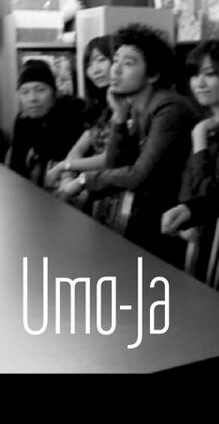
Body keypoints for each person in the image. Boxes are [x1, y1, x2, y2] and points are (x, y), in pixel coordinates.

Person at [58, 24, 196, 267]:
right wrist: (120, 116)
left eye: (128, 63)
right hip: (149, 224)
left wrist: (83, 180)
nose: (116, 69)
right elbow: (114, 165)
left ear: (153, 74)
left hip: (173, 232)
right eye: (116, 60)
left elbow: (138, 176)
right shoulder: (137, 106)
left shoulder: (170, 109)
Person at [160, 35, 219, 279]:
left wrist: (199, 137)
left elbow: (214, 189)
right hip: (202, 238)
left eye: (210, 74)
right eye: (194, 75)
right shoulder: (208, 120)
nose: (199, 83)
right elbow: (188, 178)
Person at [46, 36, 113, 198]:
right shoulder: (100, 107)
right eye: (89, 65)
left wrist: (65, 167)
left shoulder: (129, 106)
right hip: (92, 186)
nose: (95, 70)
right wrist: (66, 178)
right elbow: (79, 148)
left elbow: (111, 158)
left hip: (113, 188)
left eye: (101, 60)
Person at [8, 59, 85, 187]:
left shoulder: (74, 111)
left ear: (54, 92)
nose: (32, 98)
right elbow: (16, 167)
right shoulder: (23, 121)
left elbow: (60, 154)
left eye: (40, 90)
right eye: (25, 92)